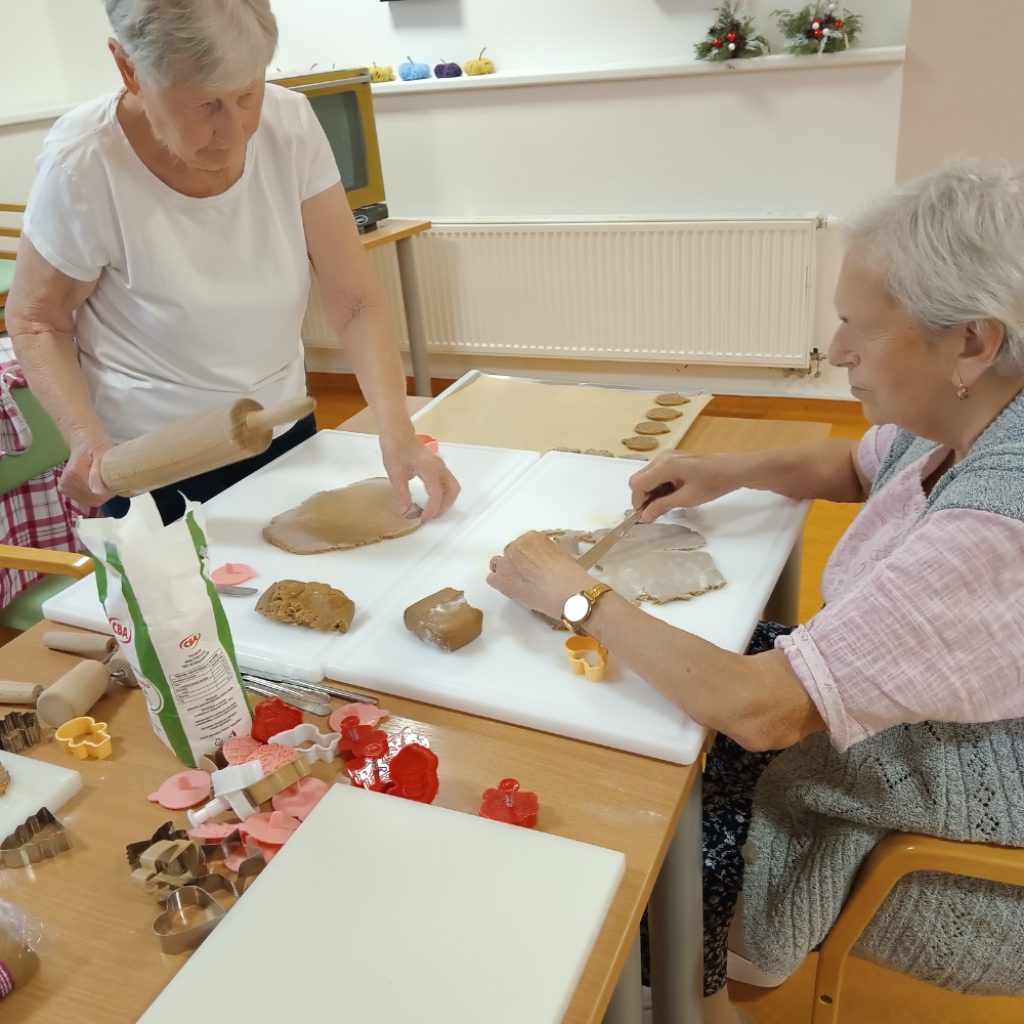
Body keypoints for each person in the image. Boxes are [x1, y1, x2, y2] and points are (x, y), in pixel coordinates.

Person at [487, 159, 1024, 1023]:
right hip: (933, 724)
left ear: (971, 341)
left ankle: (690, 995)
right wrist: (722, 470)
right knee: (674, 699)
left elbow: (761, 712)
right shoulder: (977, 413)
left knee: (648, 792)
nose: (838, 351)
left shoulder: (998, 524)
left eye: (857, 327)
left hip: (965, 791)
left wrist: (574, 596)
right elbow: (854, 465)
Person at [5, 0, 459, 524]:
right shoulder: (83, 163)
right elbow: (37, 319)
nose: (236, 131)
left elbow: (355, 301)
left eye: (248, 95)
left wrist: (396, 430)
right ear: (129, 69)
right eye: (204, 105)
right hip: (153, 463)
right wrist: (86, 439)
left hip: (280, 427)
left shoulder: (290, 123)